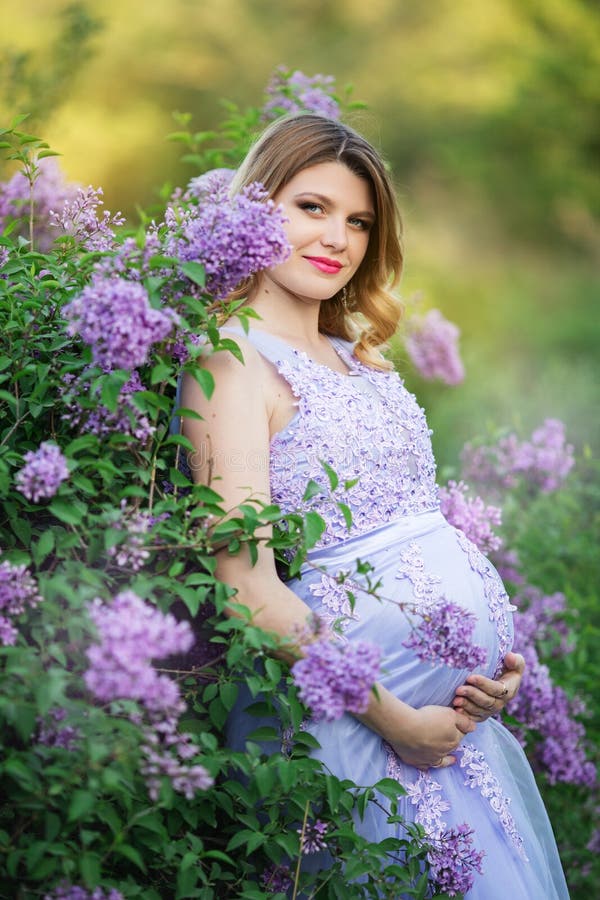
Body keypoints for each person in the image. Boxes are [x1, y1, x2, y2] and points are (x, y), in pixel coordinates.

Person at [180, 113, 569, 898]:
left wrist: (492, 671)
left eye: (359, 221)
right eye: (312, 208)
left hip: (452, 734)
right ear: (256, 208)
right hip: (357, 729)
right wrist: (396, 720)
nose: (339, 239)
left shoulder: (361, 357)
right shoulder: (228, 361)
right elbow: (243, 584)